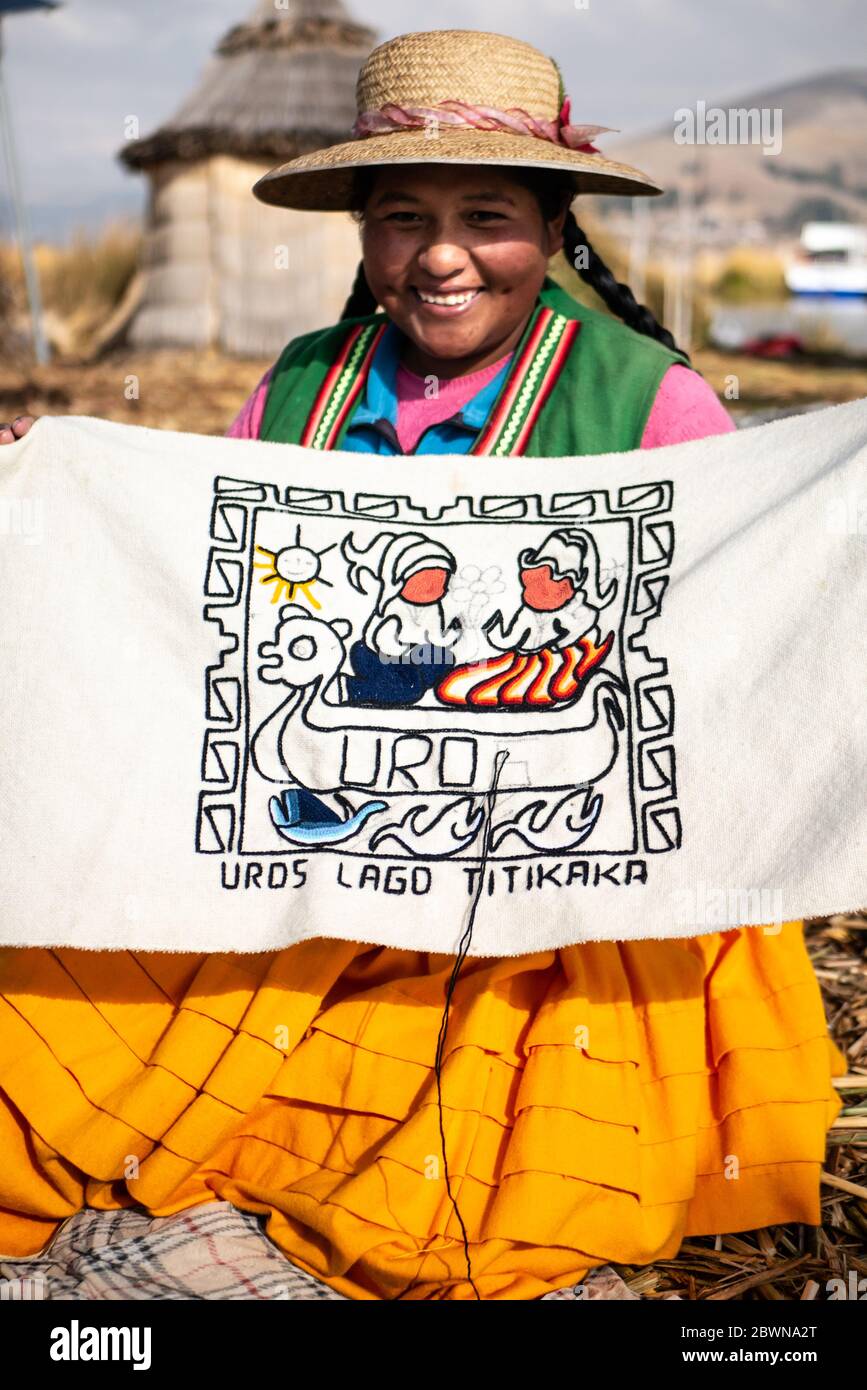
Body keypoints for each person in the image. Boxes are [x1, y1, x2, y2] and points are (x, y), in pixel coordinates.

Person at [0, 30, 846, 1301]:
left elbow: (724, 644)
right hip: (314, 834)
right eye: (402, 217)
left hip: (552, 876)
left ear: (555, 226)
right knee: (45, 1022)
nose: (439, 256)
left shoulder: (649, 403)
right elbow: (205, 593)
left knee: (504, 1132)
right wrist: (55, 488)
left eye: (486, 215)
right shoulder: (302, 386)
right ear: (361, 231)